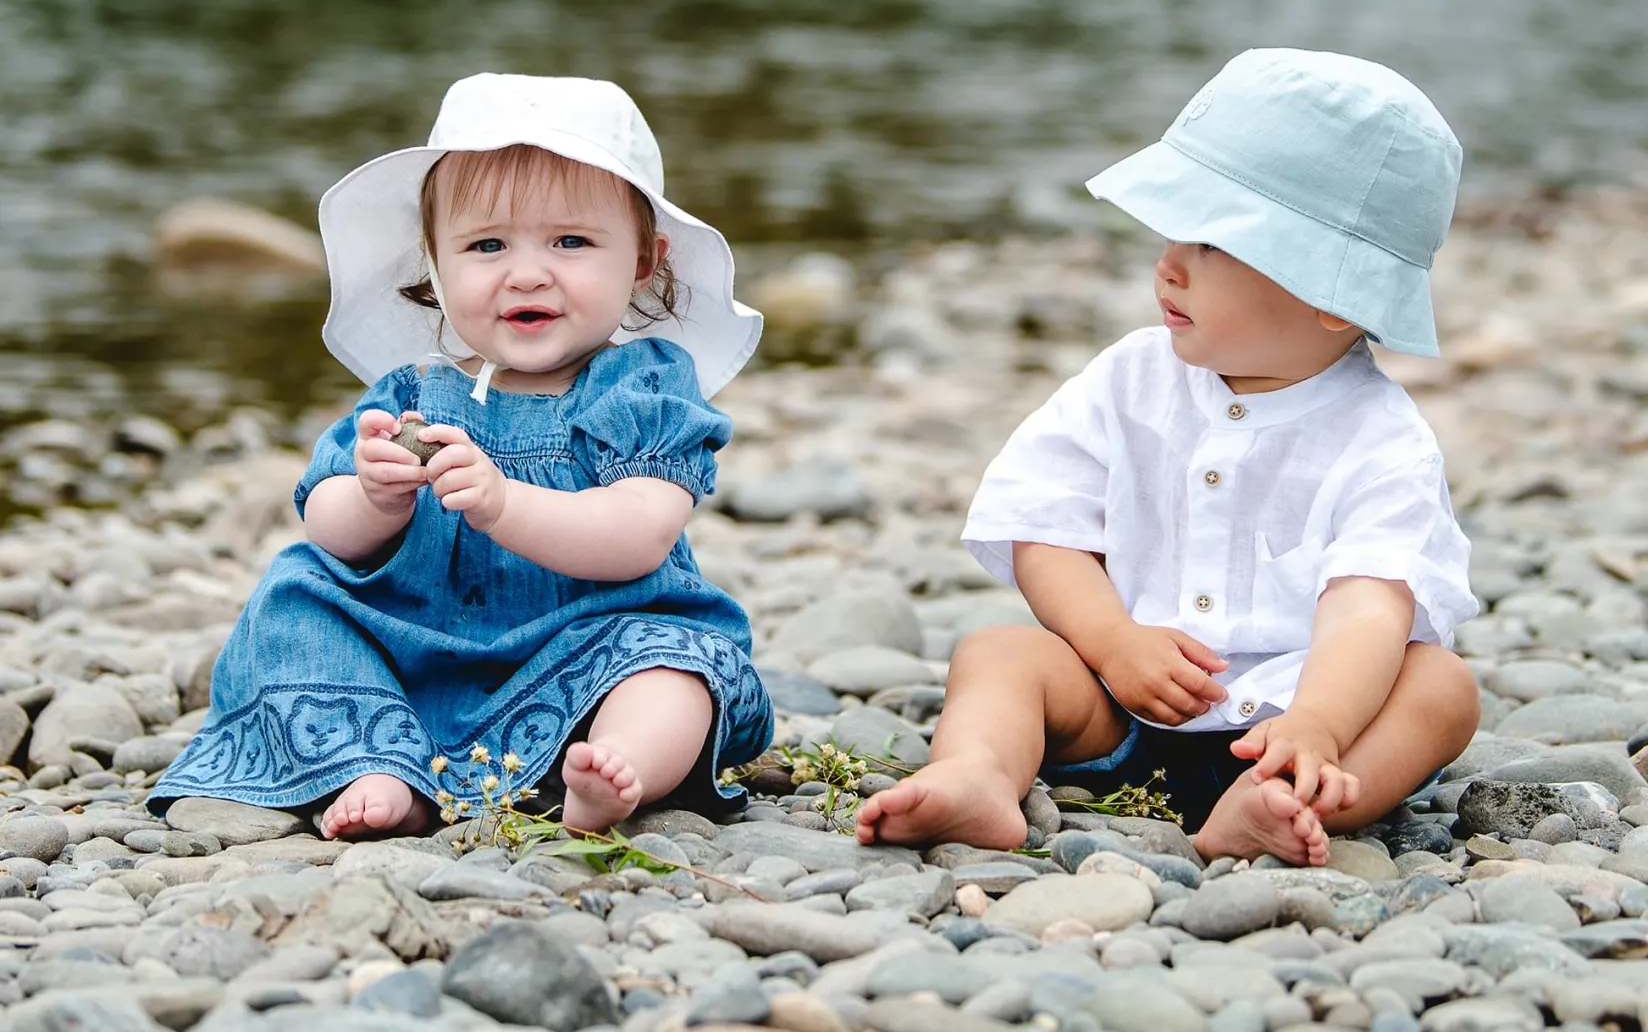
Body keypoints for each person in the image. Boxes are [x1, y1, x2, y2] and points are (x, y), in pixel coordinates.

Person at [856, 48, 1481, 866]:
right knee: (1000, 652)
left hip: (1295, 715)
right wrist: (1113, 639)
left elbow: (1369, 606)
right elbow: (1044, 524)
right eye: (1174, 231)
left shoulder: (1378, 438)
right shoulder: (1131, 379)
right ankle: (977, 773)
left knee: (1440, 687)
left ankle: (1278, 801)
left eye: (1212, 245)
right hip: (1121, 703)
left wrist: (1318, 723)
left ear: (1335, 295)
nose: (1169, 263)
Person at [153, 73, 771, 840]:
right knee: (297, 593)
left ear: (645, 260)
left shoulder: (642, 387)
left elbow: (640, 533)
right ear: (436, 265)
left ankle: (613, 769)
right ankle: (379, 766)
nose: (527, 272)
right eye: (486, 245)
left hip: (586, 648)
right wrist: (375, 499)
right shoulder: (411, 393)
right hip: (416, 656)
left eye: (571, 241)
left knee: (676, 665)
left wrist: (504, 504)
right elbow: (328, 530)